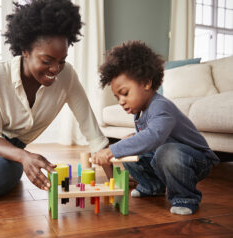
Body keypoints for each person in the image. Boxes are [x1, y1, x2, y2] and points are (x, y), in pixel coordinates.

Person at [0, 0, 108, 199]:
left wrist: (115, 177)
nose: (55, 69)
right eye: (46, 60)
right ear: (25, 50)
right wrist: (26, 157)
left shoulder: (67, 76)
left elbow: (93, 133)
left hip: (13, 151)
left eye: (62, 60)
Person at [91, 41, 220, 215]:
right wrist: (128, 142)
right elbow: (145, 141)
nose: (121, 101)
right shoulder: (140, 112)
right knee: (130, 147)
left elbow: (154, 137)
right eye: (117, 97)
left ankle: (185, 197)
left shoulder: (161, 106)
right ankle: (152, 186)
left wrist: (111, 150)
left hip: (197, 160)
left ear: (146, 83)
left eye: (125, 93)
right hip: (165, 156)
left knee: (163, 151)